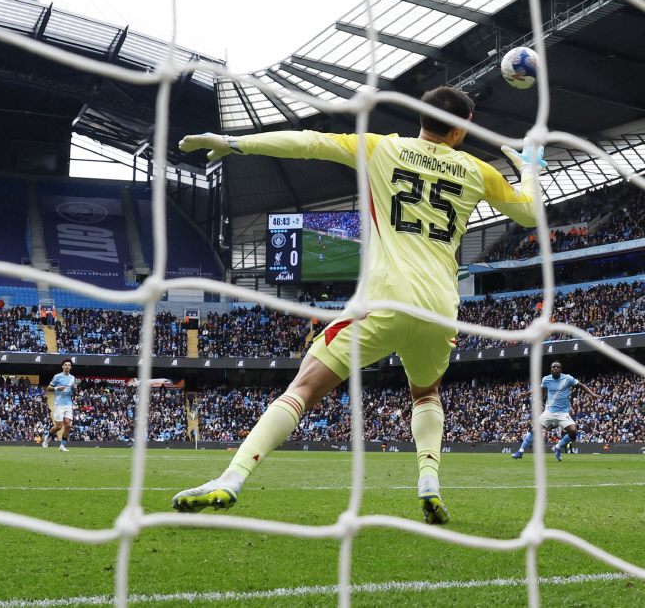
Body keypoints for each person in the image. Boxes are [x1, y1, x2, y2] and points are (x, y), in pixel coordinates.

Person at [171, 87, 541, 525]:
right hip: (440, 306)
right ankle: (429, 482)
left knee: (303, 389)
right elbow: (531, 215)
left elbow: (309, 142)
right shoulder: (478, 170)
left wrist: (236, 143)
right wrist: (531, 169)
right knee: (426, 393)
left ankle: (231, 479)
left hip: (384, 299)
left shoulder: (382, 147)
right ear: (461, 130)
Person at [511, 361, 599, 461]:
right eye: (554, 367)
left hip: (563, 413)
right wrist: (526, 394)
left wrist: (592, 394)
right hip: (549, 411)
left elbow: (581, 385)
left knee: (573, 431)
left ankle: (557, 446)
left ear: (561, 370)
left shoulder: (567, 378)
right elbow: (539, 388)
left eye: (558, 367)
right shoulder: (546, 379)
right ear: (551, 370)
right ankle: (520, 451)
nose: (556, 369)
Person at [42, 359, 76, 452]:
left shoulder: (73, 378)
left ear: (71, 367)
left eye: (69, 365)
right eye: (65, 365)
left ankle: (62, 445)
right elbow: (49, 388)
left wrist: (75, 389)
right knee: (59, 426)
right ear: (62, 366)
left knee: (68, 425)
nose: (67, 366)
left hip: (68, 403)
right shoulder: (57, 377)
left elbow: (72, 392)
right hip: (59, 403)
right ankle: (47, 436)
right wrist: (57, 388)